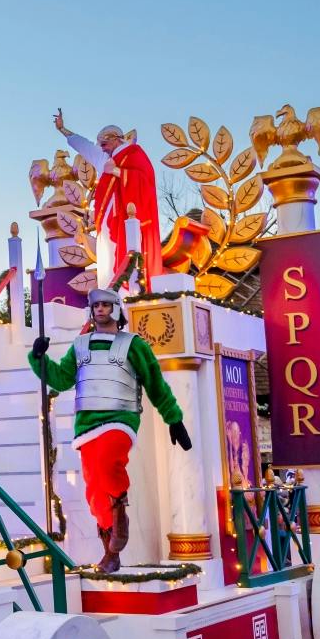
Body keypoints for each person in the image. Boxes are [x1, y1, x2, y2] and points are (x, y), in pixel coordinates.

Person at [30, 286, 191, 573]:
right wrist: (39, 358)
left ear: (116, 309)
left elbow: (155, 383)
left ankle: (120, 514)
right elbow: (61, 380)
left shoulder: (134, 345)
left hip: (121, 420)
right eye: (96, 306)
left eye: (105, 305)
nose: (100, 309)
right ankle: (110, 551)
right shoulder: (80, 346)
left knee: (108, 464)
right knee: (93, 490)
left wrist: (173, 418)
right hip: (86, 426)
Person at [53, 110, 163, 287]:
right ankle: (108, 292)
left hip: (127, 220)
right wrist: (62, 129)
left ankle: (128, 292)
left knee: (127, 257)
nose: (101, 147)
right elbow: (85, 146)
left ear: (115, 138)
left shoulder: (134, 154)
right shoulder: (106, 159)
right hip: (106, 221)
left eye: (104, 143)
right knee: (107, 259)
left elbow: (146, 180)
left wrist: (117, 172)